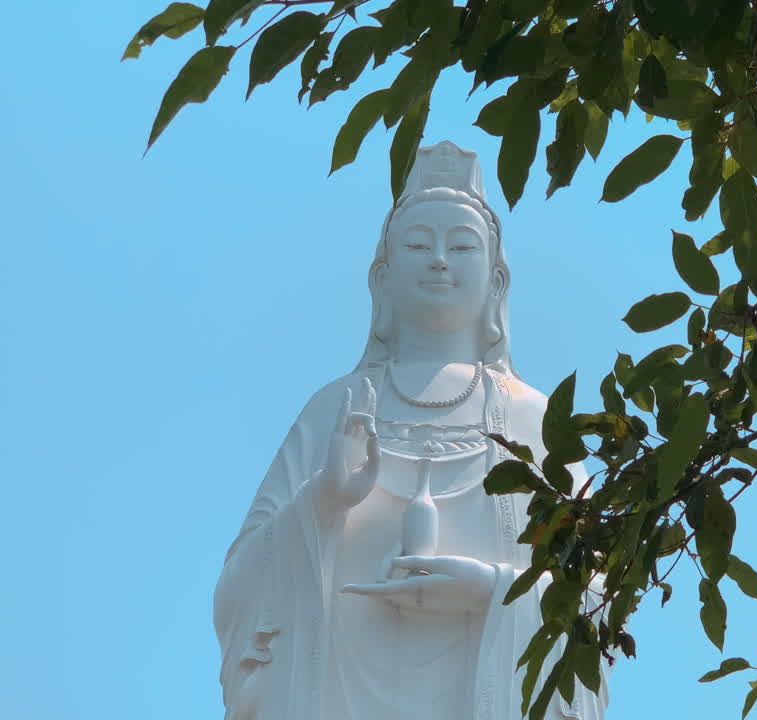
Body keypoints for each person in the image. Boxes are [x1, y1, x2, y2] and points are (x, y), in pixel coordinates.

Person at [213, 141, 608, 720]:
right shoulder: (335, 408)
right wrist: (323, 498)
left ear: (496, 281)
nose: (440, 260)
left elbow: (597, 593)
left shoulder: (533, 419)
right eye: (419, 244)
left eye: (462, 246)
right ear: (383, 276)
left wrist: (492, 591)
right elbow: (235, 593)